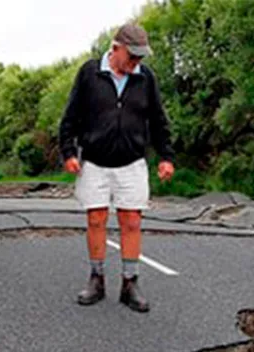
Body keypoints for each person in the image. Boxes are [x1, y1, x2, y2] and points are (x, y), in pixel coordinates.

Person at [59, 22, 175, 313]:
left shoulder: (145, 78)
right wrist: (68, 151)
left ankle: (130, 283)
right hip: (95, 161)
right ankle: (97, 279)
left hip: (132, 161)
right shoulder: (89, 73)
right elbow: (70, 117)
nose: (136, 62)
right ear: (116, 48)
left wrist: (166, 156)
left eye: (140, 57)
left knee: (131, 221)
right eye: (131, 56)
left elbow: (158, 120)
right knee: (96, 219)